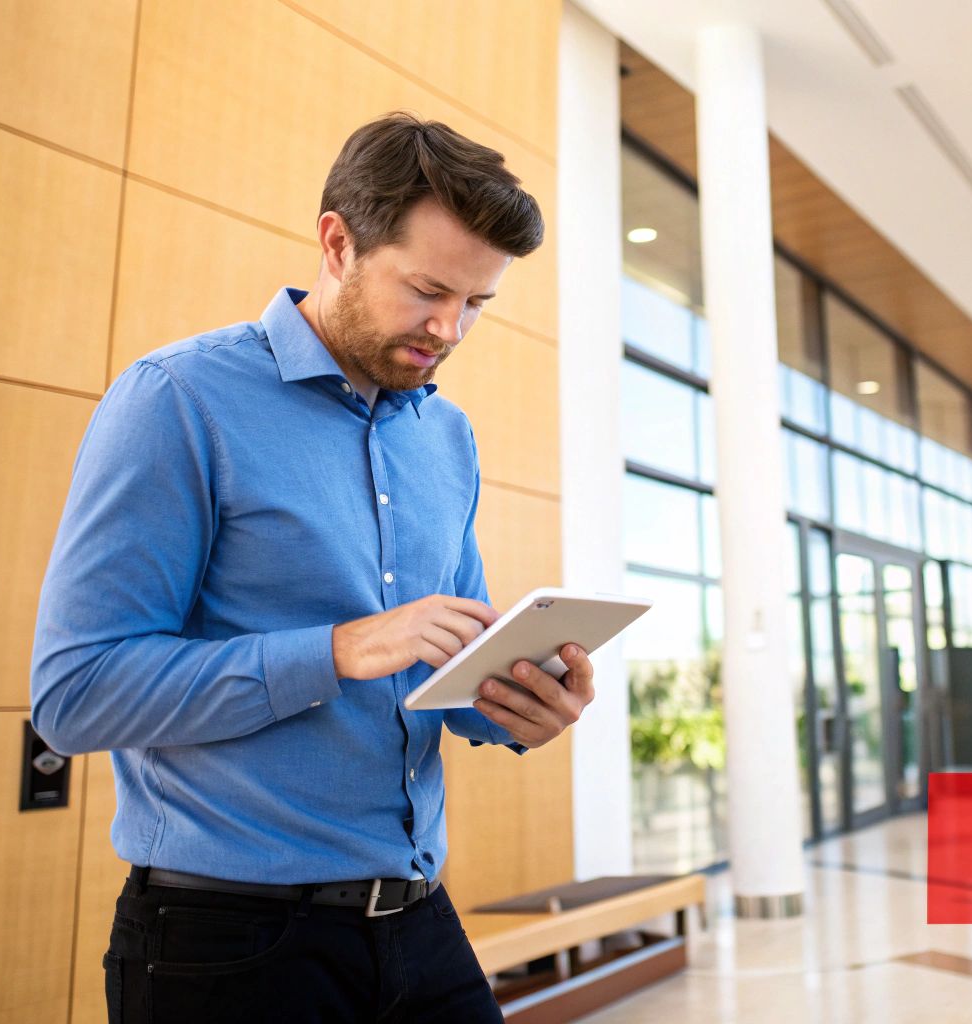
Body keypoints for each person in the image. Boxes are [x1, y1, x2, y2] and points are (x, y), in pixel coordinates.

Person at [30, 113, 585, 1023]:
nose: (450, 329)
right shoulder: (178, 400)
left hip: (420, 924)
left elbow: (446, 662)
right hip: (227, 948)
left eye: (478, 304)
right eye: (428, 290)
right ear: (338, 240)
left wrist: (520, 704)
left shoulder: (445, 436)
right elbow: (75, 694)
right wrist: (336, 649)